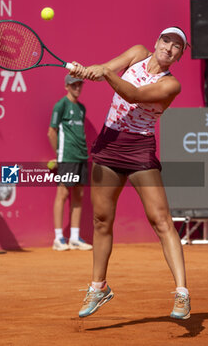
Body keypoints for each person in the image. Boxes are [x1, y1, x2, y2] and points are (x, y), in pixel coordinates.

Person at [69, 27, 191, 319]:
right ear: (157, 42)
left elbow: (133, 94)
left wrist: (105, 73)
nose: (169, 48)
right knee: (101, 219)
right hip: (108, 144)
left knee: (161, 220)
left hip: (139, 150)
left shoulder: (171, 85)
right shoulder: (137, 53)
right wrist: (86, 71)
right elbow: (105, 70)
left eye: (177, 46)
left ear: (180, 55)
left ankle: (182, 294)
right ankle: (99, 287)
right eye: (166, 41)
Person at [47, 74, 92, 251]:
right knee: (63, 194)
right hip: (67, 157)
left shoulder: (81, 108)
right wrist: (59, 154)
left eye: (80, 85)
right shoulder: (61, 105)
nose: (78, 88)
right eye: (74, 85)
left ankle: (74, 237)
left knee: (78, 195)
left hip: (82, 156)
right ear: (66, 86)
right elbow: (51, 132)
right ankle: (58, 238)